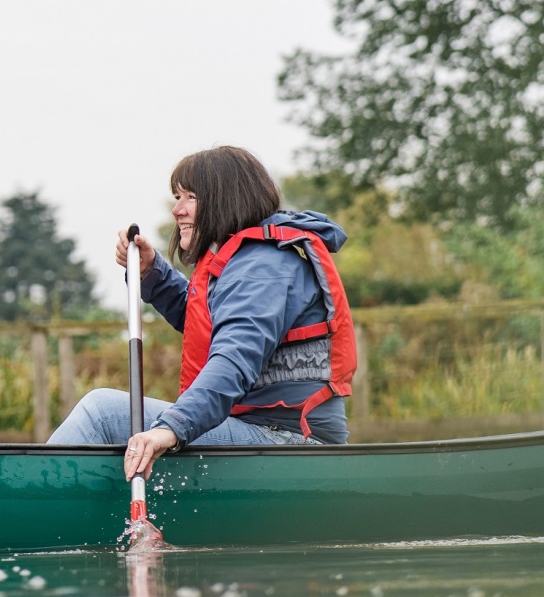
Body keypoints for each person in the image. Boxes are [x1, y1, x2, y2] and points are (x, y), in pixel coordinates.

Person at [48, 146, 355, 479]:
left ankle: (29, 496)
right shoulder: (247, 260)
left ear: (228, 199)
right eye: (177, 197)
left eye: (190, 198)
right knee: (111, 418)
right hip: (259, 428)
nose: (177, 210)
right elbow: (202, 319)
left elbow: (234, 359)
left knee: (102, 413)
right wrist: (153, 272)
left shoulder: (264, 268)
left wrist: (172, 427)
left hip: (288, 442)